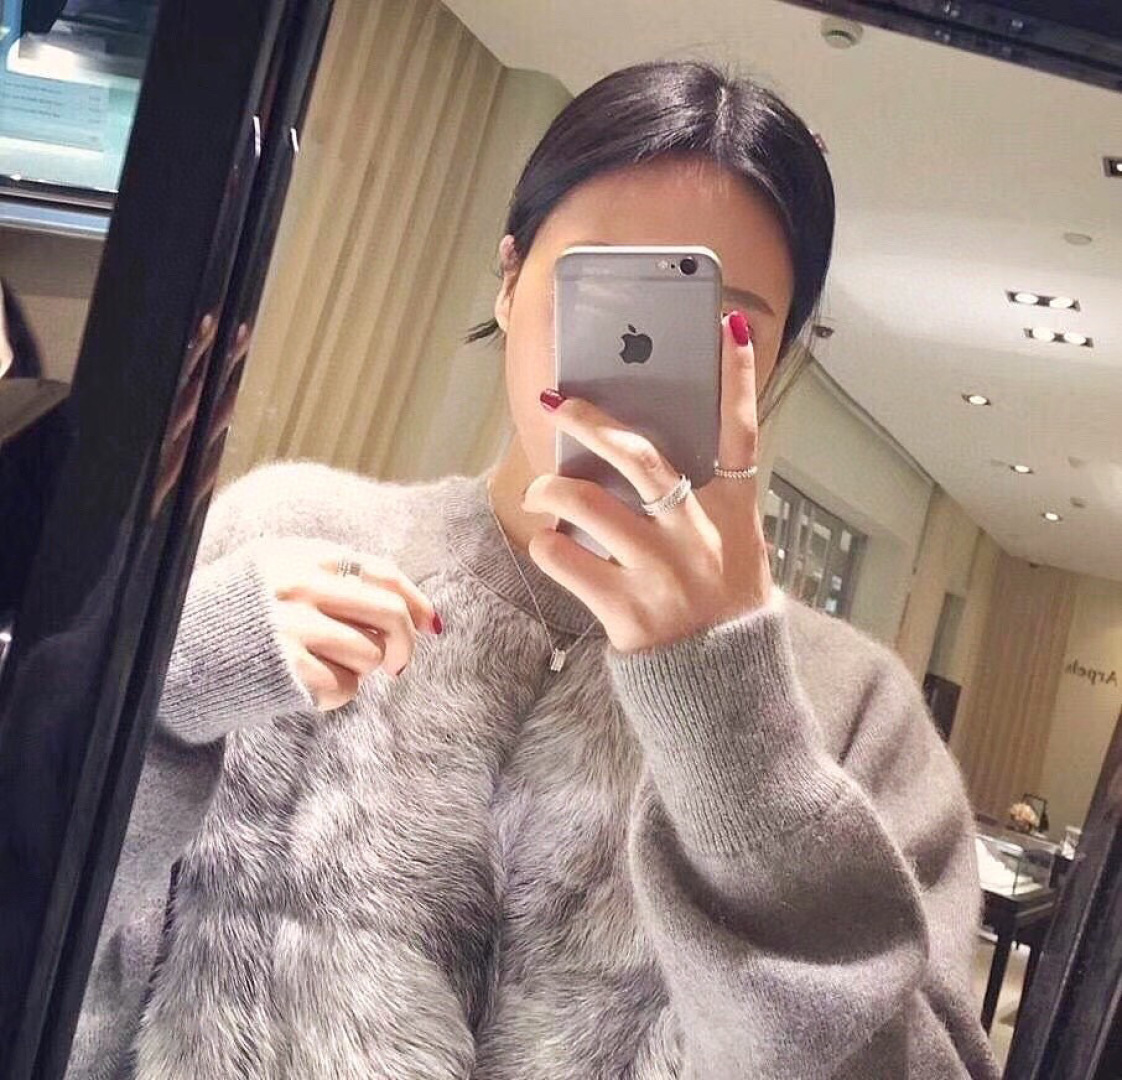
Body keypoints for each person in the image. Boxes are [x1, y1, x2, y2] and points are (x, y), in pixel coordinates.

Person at [69, 61, 1000, 1079]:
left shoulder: (850, 707)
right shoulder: (285, 537)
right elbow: (61, 966)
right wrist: (167, 693)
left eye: (721, 320)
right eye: (604, 286)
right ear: (510, 279)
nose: (640, 347)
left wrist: (734, 731)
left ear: (773, 362)